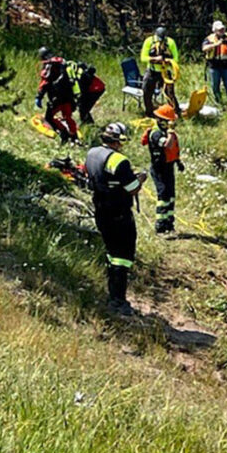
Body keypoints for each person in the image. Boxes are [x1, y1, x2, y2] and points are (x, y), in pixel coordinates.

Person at [85, 123, 147, 316]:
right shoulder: (119, 160)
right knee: (123, 257)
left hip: (101, 210)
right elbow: (132, 188)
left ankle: (112, 294)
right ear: (119, 140)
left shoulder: (92, 153)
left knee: (111, 253)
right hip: (119, 214)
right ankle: (118, 301)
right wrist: (140, 179)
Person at [142, 104, 184, 234]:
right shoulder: (156, 133)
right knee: (163, 195)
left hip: (168, 166)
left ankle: (169, 223)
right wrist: (171, 131)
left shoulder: (165, 131)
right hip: (159, 168)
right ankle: (160, 224)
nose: (171, 123)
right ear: (161, 120)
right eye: (169, 121)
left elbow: (173, 150)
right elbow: (168, 144)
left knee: (170, 195)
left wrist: (178, 162)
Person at [35, 47, 79, 144]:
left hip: (56, 97)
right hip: (68, 96)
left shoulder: (49, 65)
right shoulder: (62, 63)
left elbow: (45, 82)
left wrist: (39, 96)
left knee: (49, 118)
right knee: (67, 116)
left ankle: (64, 134)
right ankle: (74, 137)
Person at [140, 26, 180, 117]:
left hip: (165, 71)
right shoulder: (149, 41)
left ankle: (175, 111)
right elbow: (143, 58)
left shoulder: (170, 42)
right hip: (152, 70)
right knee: (146, 90)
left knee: (169, 93)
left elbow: (176, 58)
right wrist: (154, 59)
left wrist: (167, 61)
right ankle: (149, 112)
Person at [201, 20, 227, 108]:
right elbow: (204, 48)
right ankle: (218, 103)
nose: (222, 31)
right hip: (214, 66)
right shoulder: (209, 39)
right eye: (219, 30)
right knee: (215, 85)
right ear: (214, 30)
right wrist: (216, 44)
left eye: (222, 29)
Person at [64, 58, 105, 124]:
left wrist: (78, 99)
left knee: (83, 108)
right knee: (82, 107)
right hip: (92, 88)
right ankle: (87, 123)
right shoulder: (75, 73)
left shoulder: (82, 75)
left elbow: (82, 89)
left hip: (96, 89)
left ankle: (89, 124)